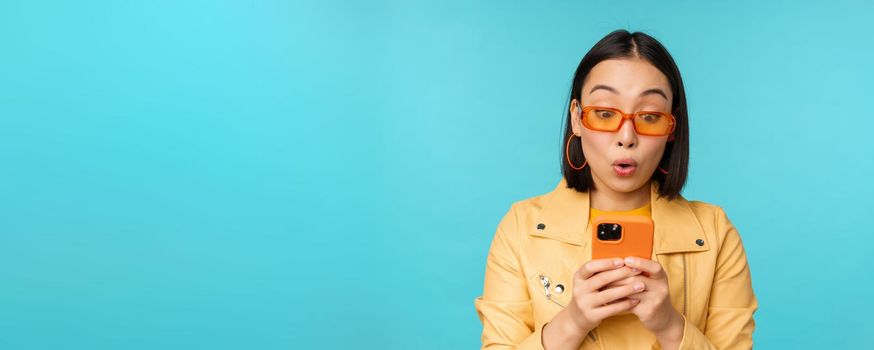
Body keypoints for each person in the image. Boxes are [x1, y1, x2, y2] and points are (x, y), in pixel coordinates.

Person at [473, 30, 757, 350]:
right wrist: (573, 321)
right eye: (605, 113)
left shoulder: (714, 232)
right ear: (577, 119)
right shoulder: (520, 228)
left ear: (671, 129)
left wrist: (669, 325)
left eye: (649, 116)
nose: (626, 136)